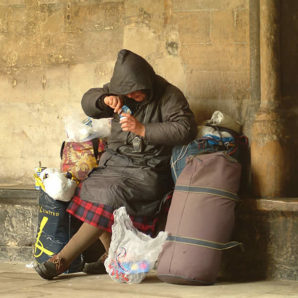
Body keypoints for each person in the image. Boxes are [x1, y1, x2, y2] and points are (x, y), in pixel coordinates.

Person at [34, 49, 197, 279]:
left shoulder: (169, 95)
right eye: (127, 93)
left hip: (148, 169)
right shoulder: (120, 92)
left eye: (137, 92)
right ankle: (113, 257)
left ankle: (61, 260)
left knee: (110, 196)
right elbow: (88, 100)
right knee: (91, 187)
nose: (132, 96)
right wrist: (104, 100)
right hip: (116, 163)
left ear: (147, 82)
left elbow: (185, 128)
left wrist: (143, 130)